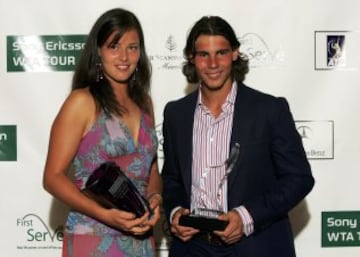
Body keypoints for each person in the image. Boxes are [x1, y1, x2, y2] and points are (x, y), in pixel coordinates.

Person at [161, 15, 314, 257]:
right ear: (192, 58)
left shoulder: (270, 110)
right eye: (203, 55)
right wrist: (175, 212)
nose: (213, 63)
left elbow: (299, 179)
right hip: (192, 248)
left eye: (221, 53)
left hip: (255, 246)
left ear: (234, 53)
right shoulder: (175, 114)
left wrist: (246, 216)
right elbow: (171, 180)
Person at [43, 8, 162, 257]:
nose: (124, 56)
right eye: (114, 46)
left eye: (133, 47)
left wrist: (155, 198)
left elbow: (150, 170)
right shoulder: (82, 102)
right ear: (98, 51)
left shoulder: (145, 104)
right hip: (94, 236)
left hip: (140, 238)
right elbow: (53, 177)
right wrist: (105, 214)